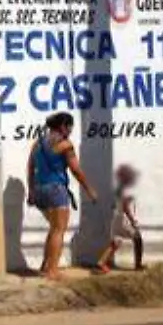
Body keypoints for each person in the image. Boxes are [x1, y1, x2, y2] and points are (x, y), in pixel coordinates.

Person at [27, 112, 98, 280]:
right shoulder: (65, 145)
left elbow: (30, 168)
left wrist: (31, 191)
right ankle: (52, 271)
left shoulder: (38, 143)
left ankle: (46, 266)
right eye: (70, 126)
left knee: (53, 229)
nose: (71, 130)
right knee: (59, 230)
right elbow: (76, 170)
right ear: (63, 126)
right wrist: (90, 190)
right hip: (56, 190)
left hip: (39, 189)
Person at [95, 164, 143, 274]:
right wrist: (132, 220)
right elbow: (126, 206)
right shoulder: (126, 189)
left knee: (115, 242)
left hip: (117, 217)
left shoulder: (118, 188)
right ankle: (138, 264)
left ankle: (101, 262)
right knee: (137, 238)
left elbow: (115, 204)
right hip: (123, 218)